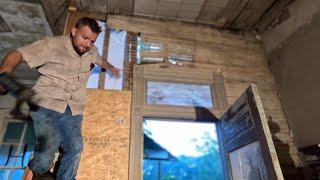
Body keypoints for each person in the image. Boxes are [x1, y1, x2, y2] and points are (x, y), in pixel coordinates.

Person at [0, 17, 119, 179]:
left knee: (76, 148)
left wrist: (112, 68)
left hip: (73, 108)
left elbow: (100, 60)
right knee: (50, 144)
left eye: (92, 41)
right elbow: (19, 54)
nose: (87, 44)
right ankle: (38, 170)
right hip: (45, 103)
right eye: (84, 38)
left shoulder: (91, 51)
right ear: (74, 31)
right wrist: (5, 70)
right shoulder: (51, 45)